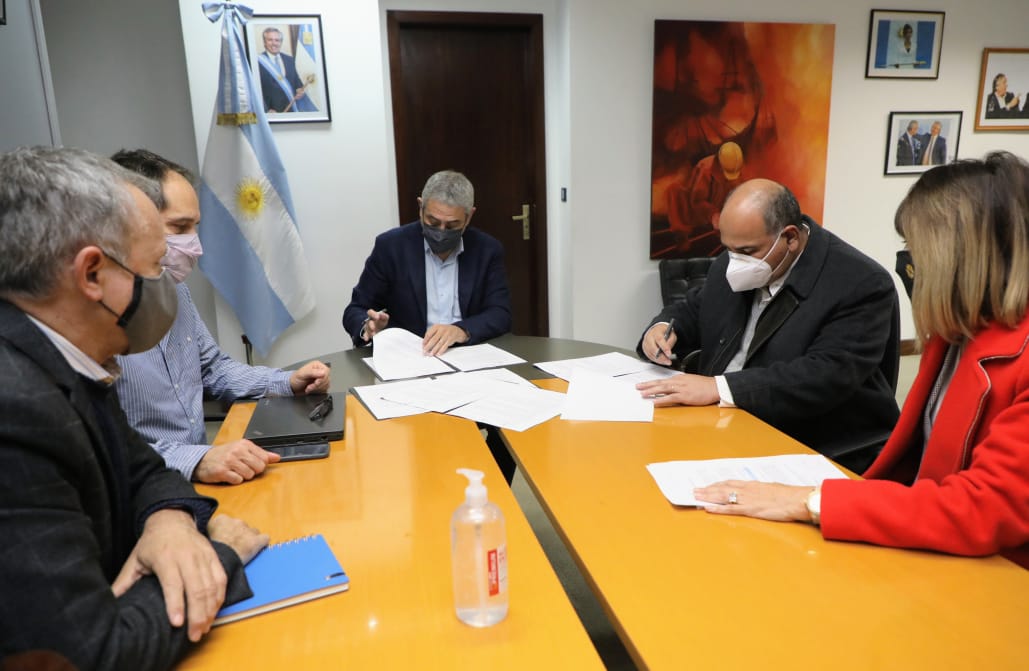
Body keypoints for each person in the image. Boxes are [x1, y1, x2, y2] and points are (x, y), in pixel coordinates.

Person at [0, 146, 269, 668]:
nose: (166, 285)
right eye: (153, 268)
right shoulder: (15, 410)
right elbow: (94, 654)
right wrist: (221, 555)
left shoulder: (68, 355)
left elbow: (144, 469)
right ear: (92, 274)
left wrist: (169, 522)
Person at [693, 152, 1029, 569]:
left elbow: (983, 509)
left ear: (964, 257)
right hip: (928, 540)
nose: (910, 263)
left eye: (916, 249)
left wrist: (810, 502)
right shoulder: (955, 335)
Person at [636, 179, 900, 473]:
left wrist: (718, 387)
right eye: (728, 248)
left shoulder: (860, 283)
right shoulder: (734, 260)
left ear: (790, 238)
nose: (734, 262)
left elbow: (825, 375)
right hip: (724, 423)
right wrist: (661, 328)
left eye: (747, 251)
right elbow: (693, 308)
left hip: (808, 441)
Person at [110, 149, 331, 486]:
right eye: (180, 227)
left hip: (200, 475)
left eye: (194, 227)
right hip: (146, 486)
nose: (195, 246)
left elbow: (213, 369)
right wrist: (196, 459)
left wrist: (286, 382)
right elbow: (105, 449)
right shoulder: (94, 321)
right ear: (130, 224)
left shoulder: (176, 292)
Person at [342, 170, 512, 356]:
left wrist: (462, 330)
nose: (441, 232)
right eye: (433, 222)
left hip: (468, 354)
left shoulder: (486, 250)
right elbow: (356, 309)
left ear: (469, 217)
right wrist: (368, 326)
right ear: (420, 207)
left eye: (452, 226)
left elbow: (500, 313)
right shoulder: (391, 247)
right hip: (410, 356)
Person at [258, 26, 315, 113]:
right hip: (272, 113)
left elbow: (296, 81)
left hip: (291, 109)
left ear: (281, 42)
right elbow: (255, 90)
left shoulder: (289, 60)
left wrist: (299, 89)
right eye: (270, 40)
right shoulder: (258, 62)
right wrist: (266, 110)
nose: (274, 43)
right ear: (264, 42)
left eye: (277, 40)